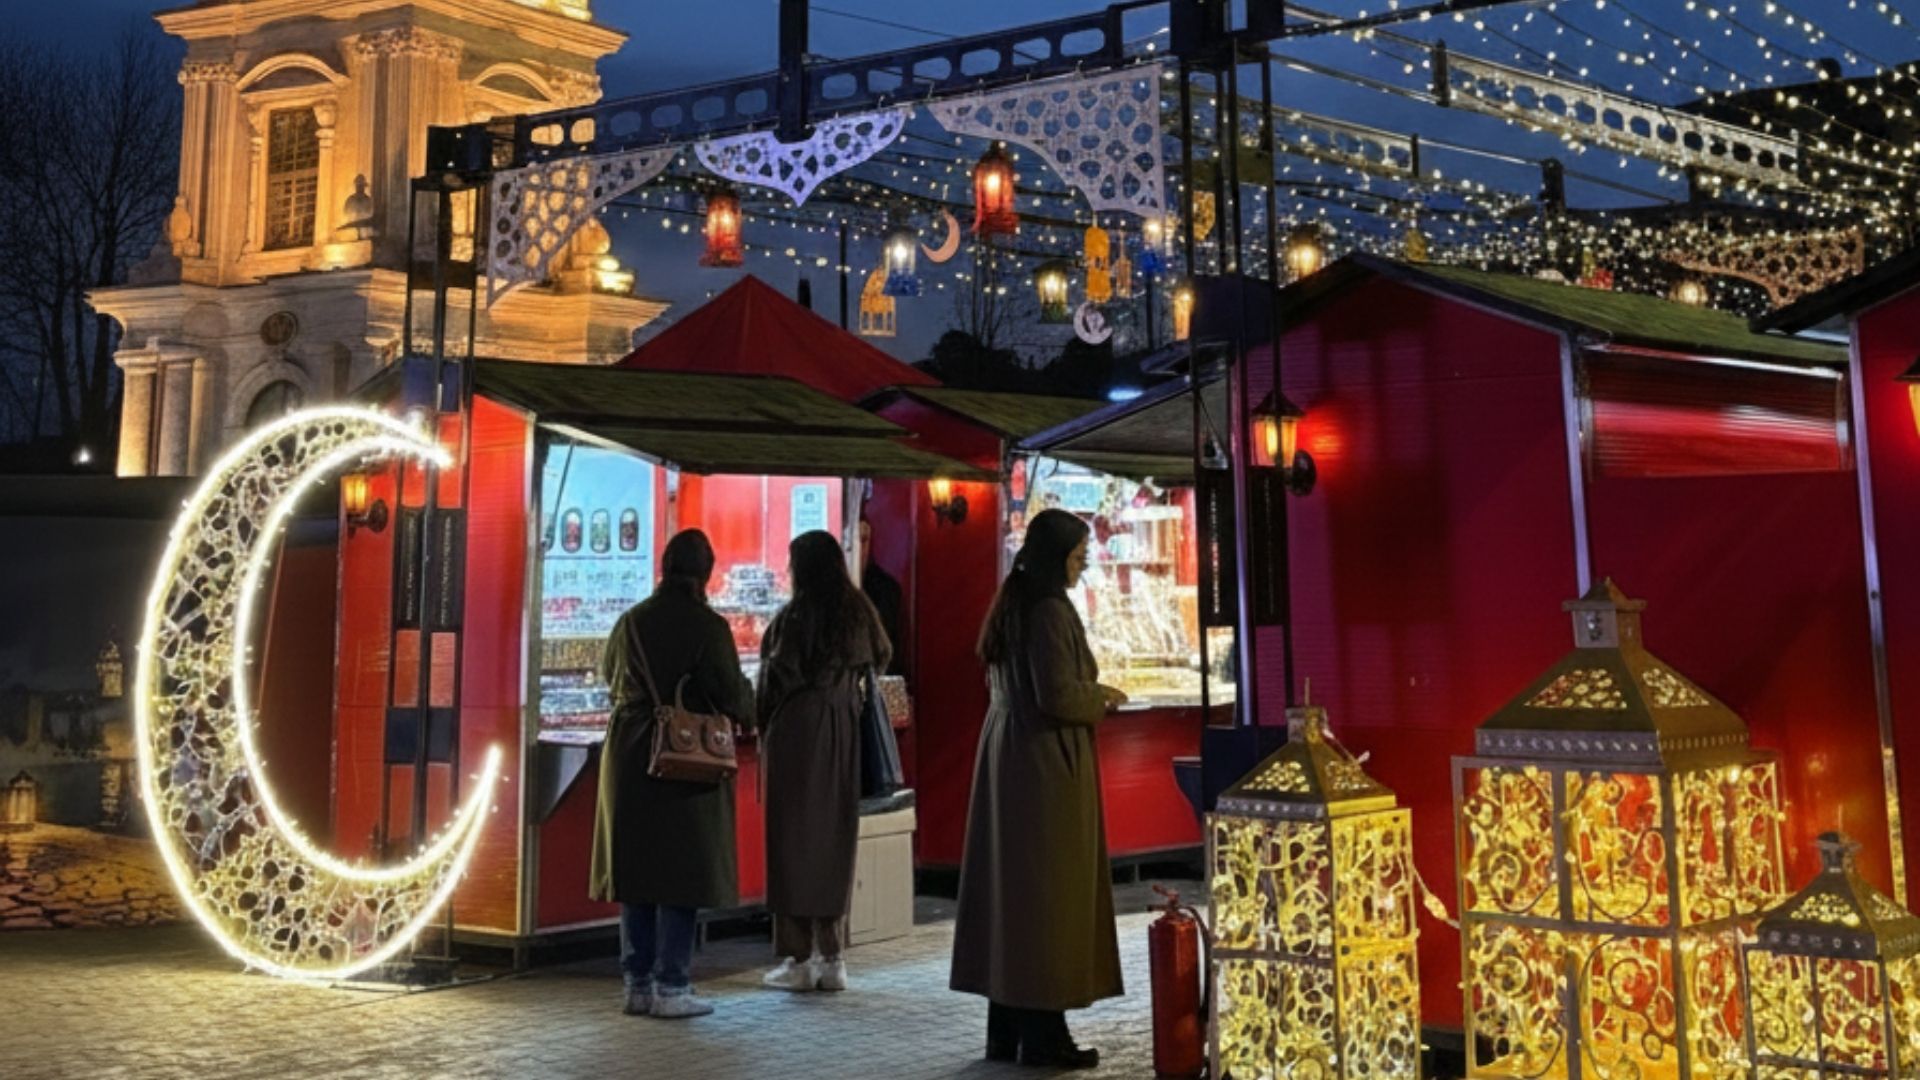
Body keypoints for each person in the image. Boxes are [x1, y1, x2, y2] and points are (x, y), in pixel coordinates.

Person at [949, 509, 1127, 1069]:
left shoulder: (1015, 602)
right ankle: (1046, 1034)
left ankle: (1007, 1028)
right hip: (1045, 766)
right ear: (1057, 556)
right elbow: (1057, 694)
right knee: (1049, 897)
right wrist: (1102, 697)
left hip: (1010, 756)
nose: (1084, 563)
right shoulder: (1049, 610)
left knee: (1013, 896)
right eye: (1078, 555)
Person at [589, 529, 754, 1020]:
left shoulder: (630, 622)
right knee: (683, 870)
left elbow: (608, 676)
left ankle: (636, 983)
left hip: (629, 752)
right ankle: (672, 984)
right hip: (683, 758)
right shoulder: (708, 627)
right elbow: (731, 695)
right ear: (704, 574)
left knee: (637, 871)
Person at [757, 529, 892, 993]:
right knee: (834, 839)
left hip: (798, 731)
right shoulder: (859, 611)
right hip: (843, 730)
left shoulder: (795, 617)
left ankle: (797, 959)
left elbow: (777, 677)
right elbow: (882, 654)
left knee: (792, 841)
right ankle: (833, 957)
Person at [856, 516, 904, 676]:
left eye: (864, 541)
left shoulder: (887, 589)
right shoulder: (832, 589)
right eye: (856, 541)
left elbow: (890, 644)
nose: (859, 549)